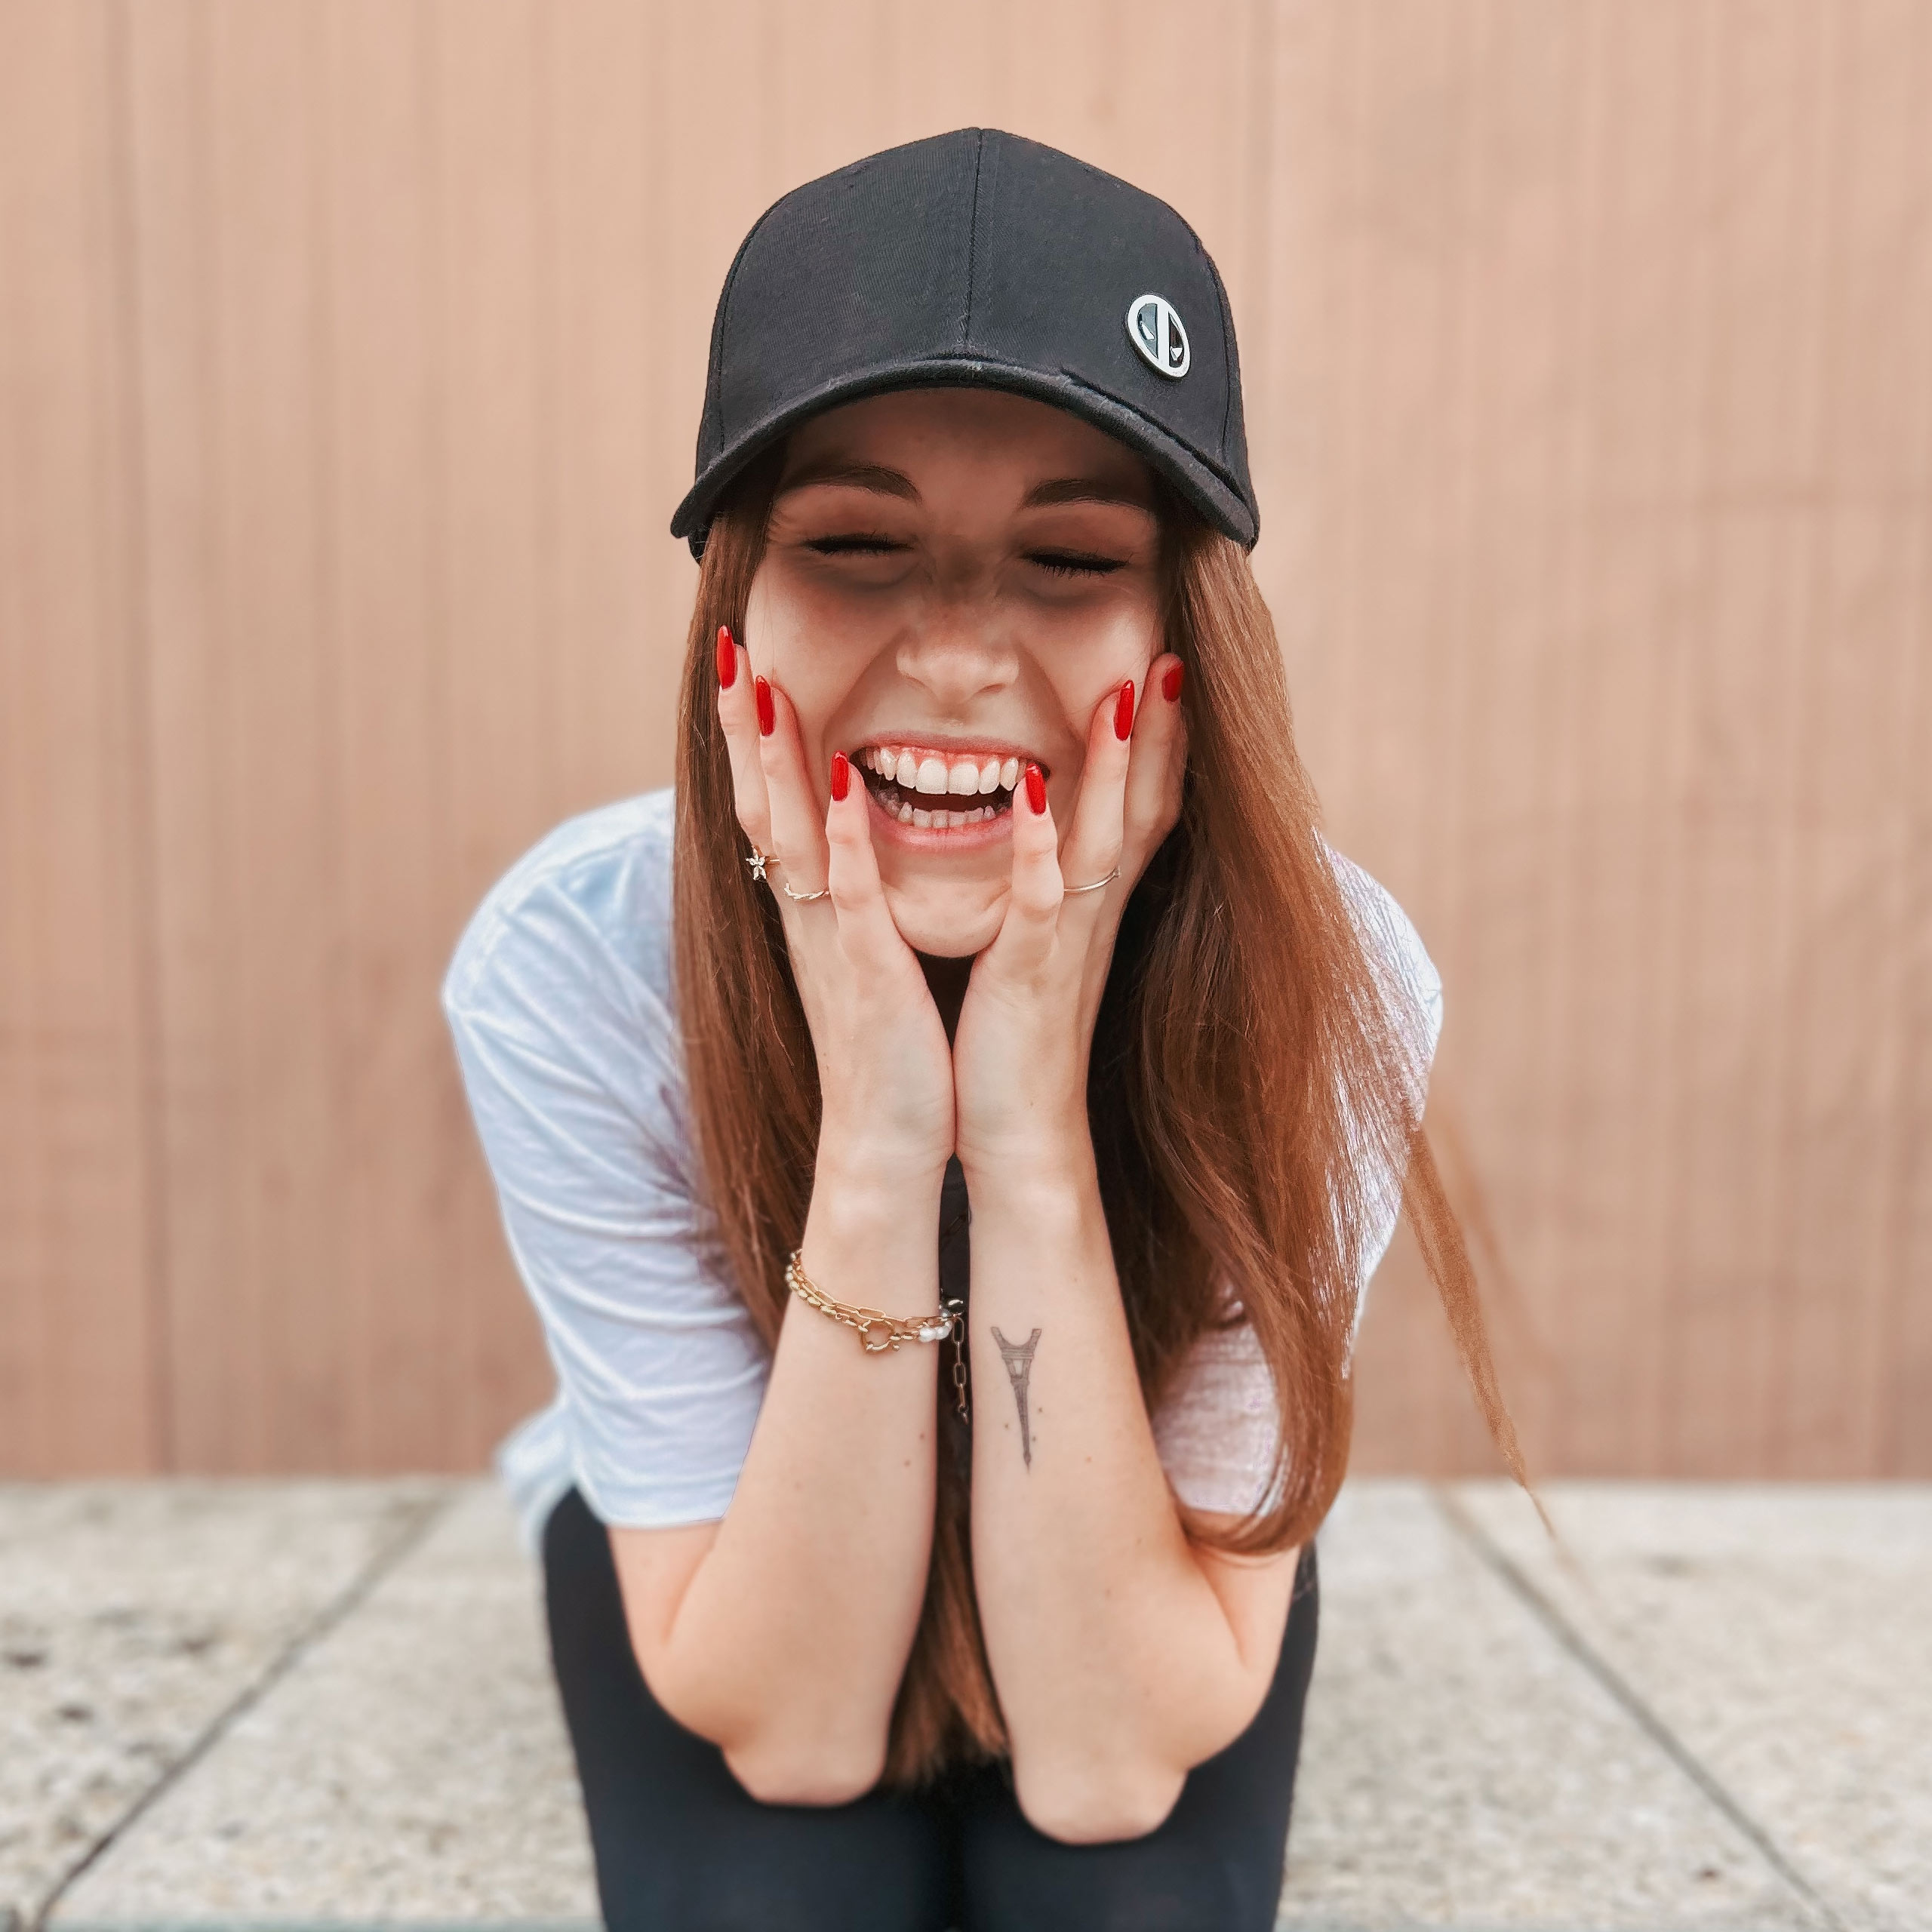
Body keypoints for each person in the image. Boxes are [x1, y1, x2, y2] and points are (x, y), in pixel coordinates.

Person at [443, 128, 1524, 1932]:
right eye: (855, 545)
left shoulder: (1328, 981)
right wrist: (881, 1122)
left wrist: (1020, 1131)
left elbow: (1108, 1759)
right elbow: (787, 1730)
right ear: (734, 604)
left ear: (1184, 627)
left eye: (1068, 556)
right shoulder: (577, 955)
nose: (953, 652)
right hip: (733, 1539)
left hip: (1133, 1543)